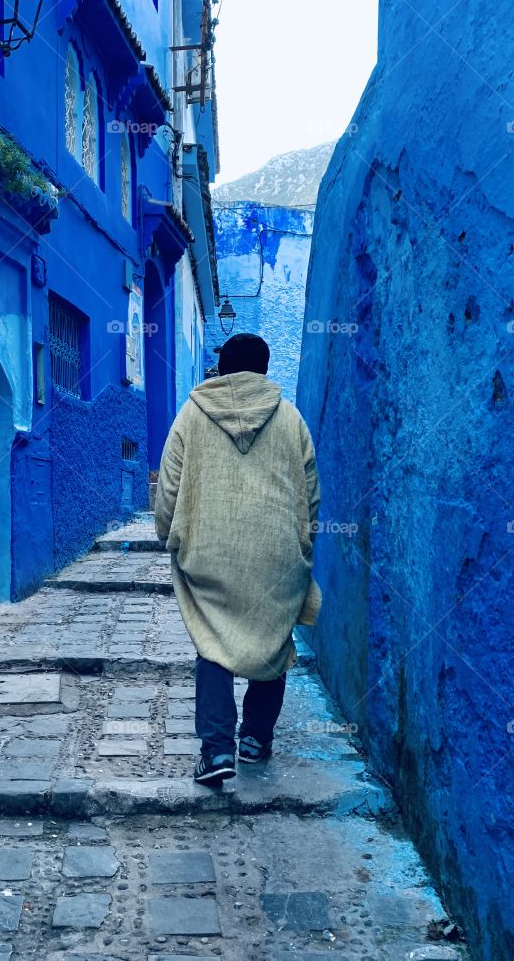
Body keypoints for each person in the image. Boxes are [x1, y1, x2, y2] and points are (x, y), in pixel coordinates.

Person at [154, 333, 322, 786]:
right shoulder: (290, 419)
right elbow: (310, 494)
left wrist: (168, 535)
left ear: (222, 369)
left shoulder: (191, 414)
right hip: (276, 552)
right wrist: (302, 549)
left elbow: (169, 487)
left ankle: (216, 751)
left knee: (213, 643)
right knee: (272, 639)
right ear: (264, 369)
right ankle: (255, 739)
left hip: (210, 549)